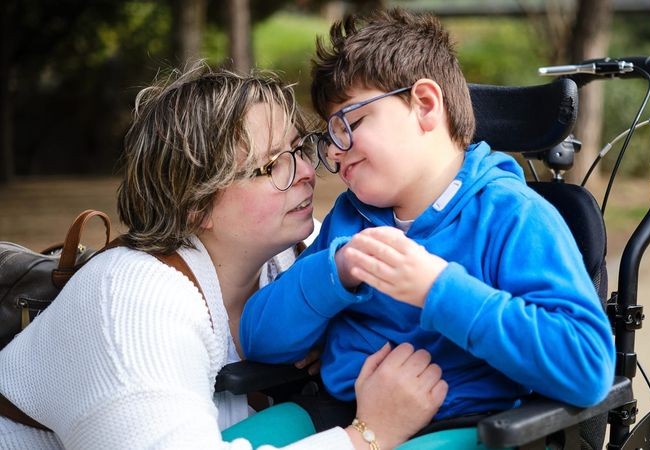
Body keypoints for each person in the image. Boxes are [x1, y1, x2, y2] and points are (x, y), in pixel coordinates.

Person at [0, 63, 447, 450]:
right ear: (196, 203)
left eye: (299, 149)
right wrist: (368, 434)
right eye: (272, 165)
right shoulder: (133, 303)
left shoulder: (292, 255)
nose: (309, 172)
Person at [239, 7, 615, 428]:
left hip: (462, 427)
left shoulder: (512, 217)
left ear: (425, 104)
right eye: (329, 134)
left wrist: (437, 288)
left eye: (349, 121)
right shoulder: (350, 220)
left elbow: (588, 366)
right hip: (338, 415)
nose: (331, 150)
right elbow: (258, 340)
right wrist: (335, 275)